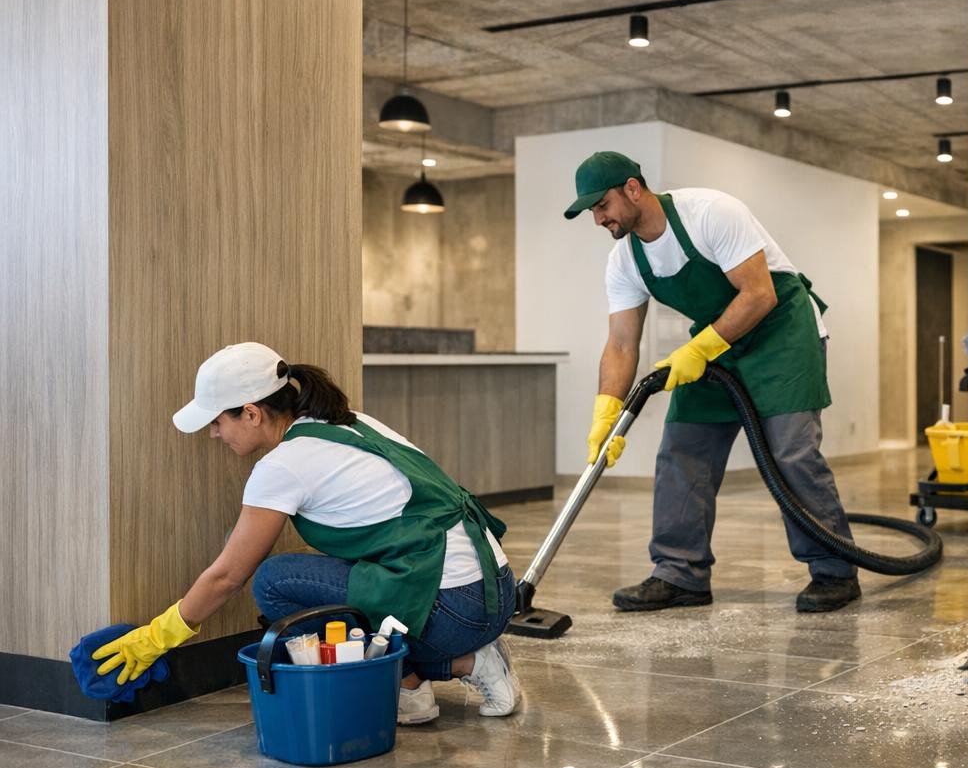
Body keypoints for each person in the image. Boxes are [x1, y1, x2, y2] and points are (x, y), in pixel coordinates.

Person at [90, 342, 520, 726]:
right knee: (320, 577)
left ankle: (446, 670)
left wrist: (157, 636)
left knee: (275, 582)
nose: (213, 433)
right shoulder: (348, 423)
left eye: (218, 421)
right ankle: (427, 678)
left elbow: (228, 577)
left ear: (252, 413)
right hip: (495, 591)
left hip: (456, 609)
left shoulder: (284, 465)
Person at [565, 150, 861, 613]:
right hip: (717, 343)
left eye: (601, 206)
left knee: (790, 453)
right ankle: (680, 574)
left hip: (781, 333)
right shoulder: (624, 260)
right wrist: (607, 408)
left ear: (632, 189)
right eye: (590, 211)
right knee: (683, 450)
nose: (597, 218)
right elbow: (622, 343)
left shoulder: (710, 212)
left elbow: (759, 293)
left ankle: (833, 570)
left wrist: (699, 350)